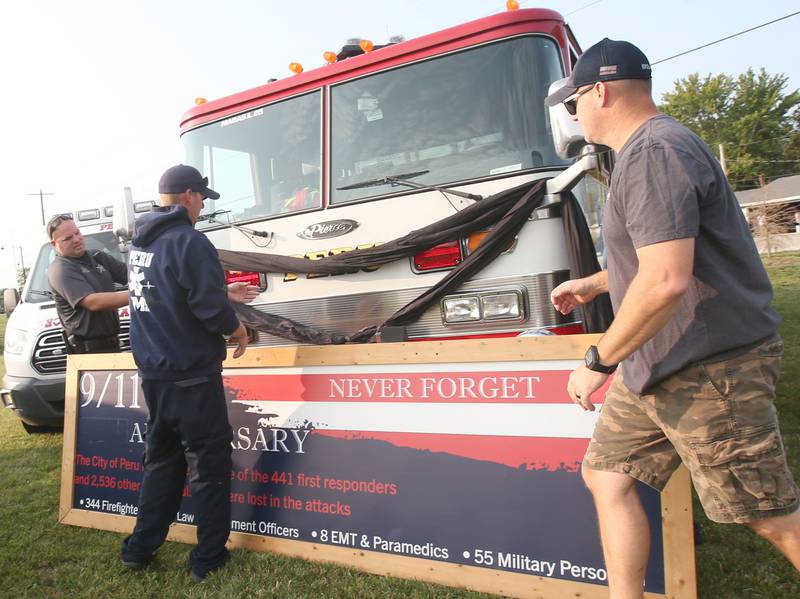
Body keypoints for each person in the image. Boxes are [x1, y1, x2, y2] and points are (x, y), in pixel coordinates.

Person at [546, 39, 800, 598]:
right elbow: (658, 253)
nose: (574, 115)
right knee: (607, 475)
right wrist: (593, 282)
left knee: (768, 514)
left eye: (573, 103)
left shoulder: (655, 152)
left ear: (600, 92)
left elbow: (666, 280)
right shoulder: (648, 151)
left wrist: (598, 359)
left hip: (709, 368)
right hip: (659, 363)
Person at [120, 164, 250, 583]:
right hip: (192, 374)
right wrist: (237, 327)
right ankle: (208, 557)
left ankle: (138, 550)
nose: (200, 209)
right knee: (209, 466)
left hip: (155, 376)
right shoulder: (190, 241)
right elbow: (209, 310)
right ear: (191, 196)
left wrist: (220, 293)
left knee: (161, 463)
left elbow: (167, 291)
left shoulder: (141, 242)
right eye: (201, 201)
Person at [47, 214, 129, 354]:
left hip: (113, 345)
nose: (76, 239)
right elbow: (93, 302)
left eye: (77, 233)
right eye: (68, 238)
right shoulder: (60, 269)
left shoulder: (97, 257)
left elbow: (134, 274)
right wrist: (138, 295)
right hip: (87, 352)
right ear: (55, 244)